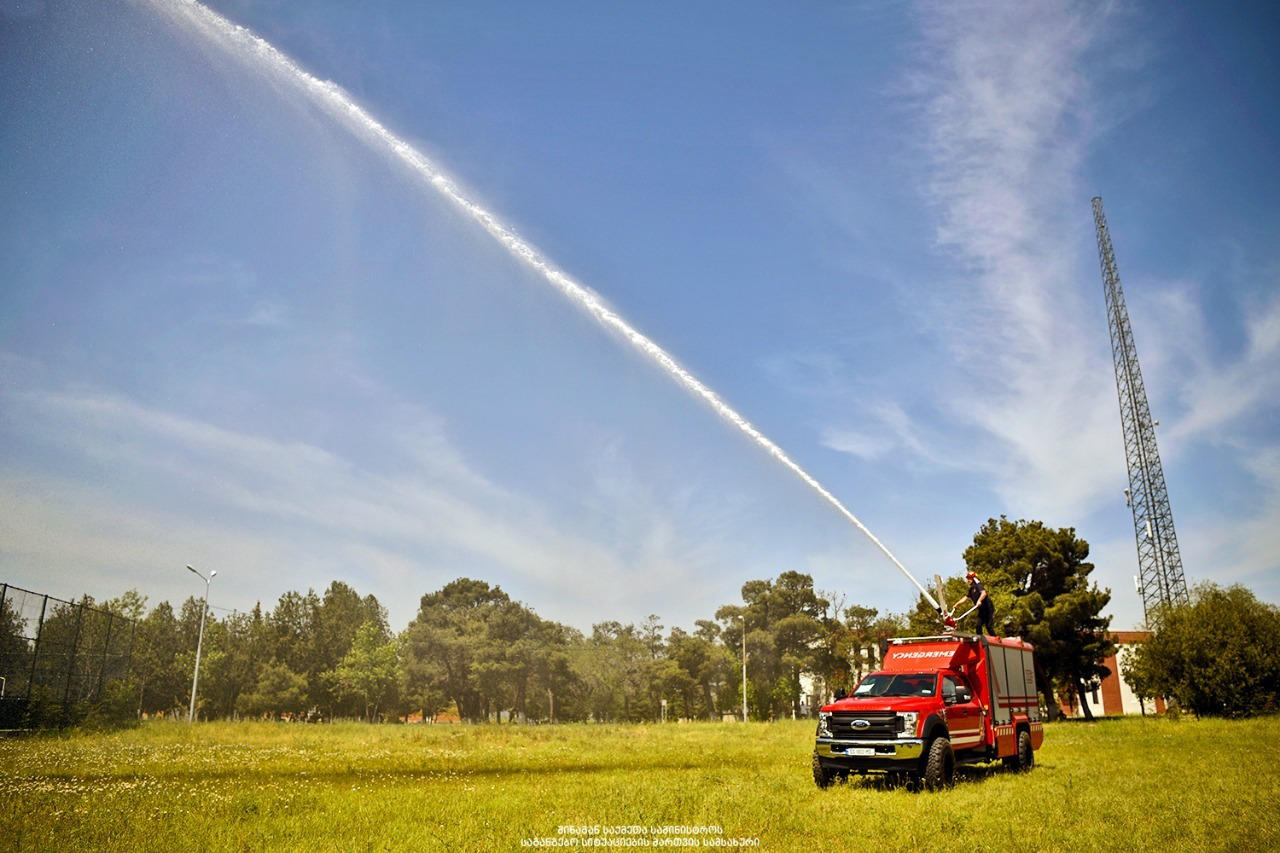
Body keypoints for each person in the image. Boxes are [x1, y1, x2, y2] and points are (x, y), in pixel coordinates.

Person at [966, 570, 997, 636]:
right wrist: (956, 605)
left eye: (969, 578)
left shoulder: (978, 586)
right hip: (982, 610)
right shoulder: (971, 589)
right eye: (967, 578)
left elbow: (983, 593)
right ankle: (981, 641)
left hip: (988, 609)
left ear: (974, 579)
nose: (968, 580)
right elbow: (965, 598)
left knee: (989, 626)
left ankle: (996, 640)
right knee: (978, 626)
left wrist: (979, 600)